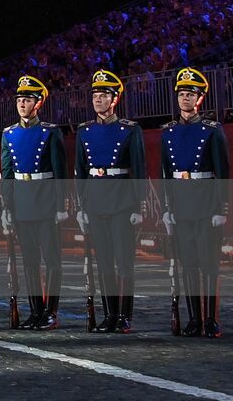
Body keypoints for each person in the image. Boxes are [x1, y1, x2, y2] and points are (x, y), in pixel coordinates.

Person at [75, 69, 146, 333]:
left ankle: (124, 316)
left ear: (114, 99)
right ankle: (109, 314)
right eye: (95, 95)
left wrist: (138, 206)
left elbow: (139, 168)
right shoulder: (85, 130)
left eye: (103, 95)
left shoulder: (129, 130)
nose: (98, 99)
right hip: (95, 202)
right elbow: (81, 171)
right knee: (103, 260)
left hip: (121, 202)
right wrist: (81, 207)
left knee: (123, 261)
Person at [160, 67, 229, 337]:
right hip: (181, 205)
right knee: (188, 264)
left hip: (205, 204)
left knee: (209, 264)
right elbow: (167, 173)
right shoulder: (168, 131)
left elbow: (222, 172)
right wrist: (167, 209)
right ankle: (193, 319)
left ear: (200, 98)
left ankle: (211, 319)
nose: (185, 98)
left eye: (191, 94)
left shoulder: (211, 130)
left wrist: (220, 209)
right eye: (182, 94)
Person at [0, 75, 67, 330]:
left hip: (45, 200)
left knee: (51, 260)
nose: (22, 103)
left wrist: (61, 206)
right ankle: (36, 310)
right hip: (22, 202)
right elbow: (7, 174)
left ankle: (50, 311)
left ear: (38, 103)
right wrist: (7, 208)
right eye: (19, 99)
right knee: (28, 260)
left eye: (27, 99)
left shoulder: (50, 132)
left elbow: (60, 173)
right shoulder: (9, 134)